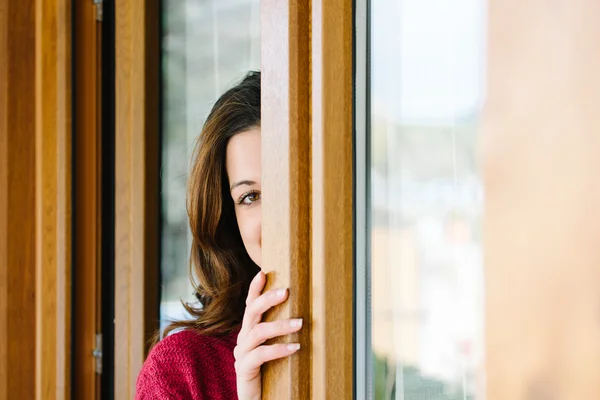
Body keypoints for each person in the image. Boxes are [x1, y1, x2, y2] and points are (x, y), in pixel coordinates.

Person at [136, 71, 303, 399]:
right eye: (250, 197)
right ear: (231, 220)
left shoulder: (373, 346)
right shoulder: (182, 371)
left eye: (289, 184)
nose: (275, 220)